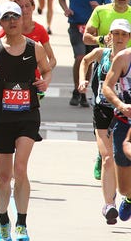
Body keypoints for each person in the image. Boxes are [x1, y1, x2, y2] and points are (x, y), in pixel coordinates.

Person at [0, 2, 51, 241]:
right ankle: (3, 221)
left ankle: (22, 223)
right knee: (4, 176)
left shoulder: (35, 47)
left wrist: (45, 82)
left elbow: (47, 69)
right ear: (1, 23)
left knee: (20, 169)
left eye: (15, 17)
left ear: (22, 19)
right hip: (3, 117)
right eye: (7, 17)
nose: (12, 21)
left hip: (28, 115)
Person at [78, 18, 131, 225]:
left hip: (125, 114)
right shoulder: (102, 53)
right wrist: (82, 79)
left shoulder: (127, 59)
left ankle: (126, 195)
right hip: (103, 111)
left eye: (123, 35)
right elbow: (84, 60)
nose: (119, 38)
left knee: (121, 162)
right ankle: (109, 204)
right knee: (107, 157)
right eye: (115, 34)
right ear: (109, 36)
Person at [59, 0, 111, 106]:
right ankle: (77, 90)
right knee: (80, 57)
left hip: (93, 30)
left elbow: (108, 5)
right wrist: (66, 9)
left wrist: (98, 8)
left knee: (90, 61)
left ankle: (82, 92)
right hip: (76, 26)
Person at [102, 44, 131, 223]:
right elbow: (107, 87)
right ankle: (129, 197)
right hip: (123, 123)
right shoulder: (123, 58)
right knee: (124, 187)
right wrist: (121, 105)